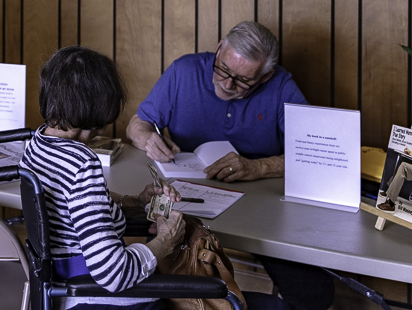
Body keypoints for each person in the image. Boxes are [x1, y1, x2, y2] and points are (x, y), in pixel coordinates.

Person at [126, 21, 334, 310]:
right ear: (220, 47)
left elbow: (314, 154)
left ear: (265, 75)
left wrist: (257, 167)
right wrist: (148, 138)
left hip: (260, 208)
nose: (227, 84)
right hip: (186, 200)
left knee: (313, 292)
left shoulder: (281, 86)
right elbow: (137, 123)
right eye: (222, 69)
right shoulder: (184, 71)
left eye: (243, 81)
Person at [21, 45, 185, 309]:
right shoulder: (82, 164)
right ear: (101, 109)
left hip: (60, 289)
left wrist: (133, 201)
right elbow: (114, 274)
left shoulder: (36, 145)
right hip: (93, 297)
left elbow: (70, 209)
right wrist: (166, 242)